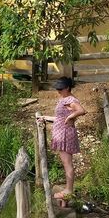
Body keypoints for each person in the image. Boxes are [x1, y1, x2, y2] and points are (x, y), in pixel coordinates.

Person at [37, 77, 87, 206]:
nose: (58, 91)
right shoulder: (64, 99)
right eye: (57, 88)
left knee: (67, 164)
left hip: (65, 134)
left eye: (60, 88)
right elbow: (60, 118)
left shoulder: (71, 100)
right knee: (66, 163)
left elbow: (81, 110)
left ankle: (68, 191)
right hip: (60, 133)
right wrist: (45, 117)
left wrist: (71, 116)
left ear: (67, 88)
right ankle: (67, 190)